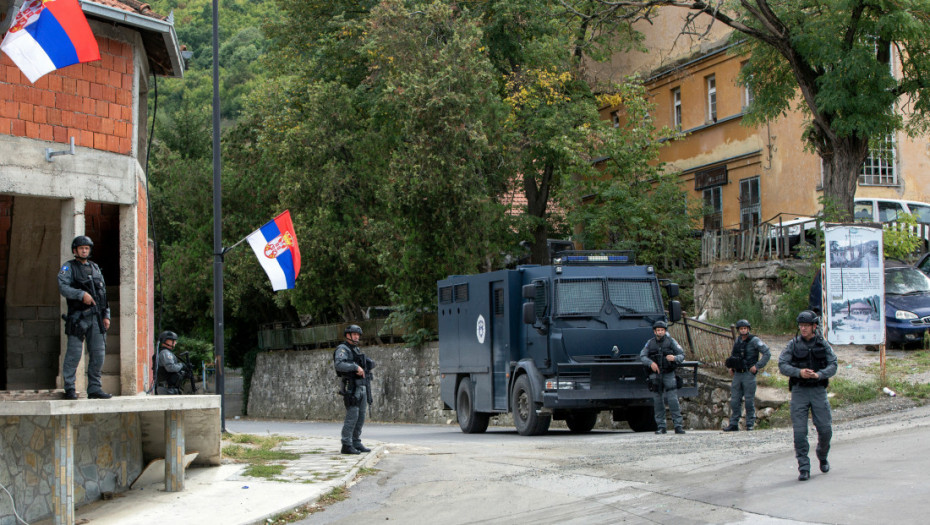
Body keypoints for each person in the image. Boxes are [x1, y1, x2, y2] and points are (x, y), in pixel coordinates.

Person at [778, 310, 837, 481]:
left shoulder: (822, 344)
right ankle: (803, 467)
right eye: (801, 326)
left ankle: (822, 454)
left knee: (825, 429)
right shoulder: (793, 344)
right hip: (799, 391)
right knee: (799, 432)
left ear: (814, 326)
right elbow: (782, 364)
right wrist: (799, 372)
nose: (803, 329)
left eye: (806, 326)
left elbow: (833, 364)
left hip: (818, 390)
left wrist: (820, 375)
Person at [58, 235, 111, 400]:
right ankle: (69, 388)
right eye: (81, 248)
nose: (84, 250)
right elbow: (63, 287)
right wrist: (81, 295)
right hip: (78, 317)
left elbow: (103, 294)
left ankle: (94, 388)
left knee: (98, 354)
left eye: (87, 248)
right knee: (74, 354)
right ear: (75, 250)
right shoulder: (68, 267)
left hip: (96, 317)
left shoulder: (95, 268)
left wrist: (106, 315)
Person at [334, 324, 375, 454]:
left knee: (361, 416)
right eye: (354, 334)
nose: (357, 337)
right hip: (351, 387)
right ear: (348, 335)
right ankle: (346, 444)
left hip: (361, 386)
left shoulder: (355, 349)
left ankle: (356, 442)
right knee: (353, 416)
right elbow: (339, 364)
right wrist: (355, 367)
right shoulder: (343, 349)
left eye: (358, 335)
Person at [723, 319, 771, 431]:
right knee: (735, 400)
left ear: (748, 329)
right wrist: (731, 367)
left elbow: (767, 353)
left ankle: (750, 423)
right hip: (737, 374)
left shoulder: (754, 340)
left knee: (749, 400)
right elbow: (734, 355)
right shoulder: (738, 340)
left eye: (745, 328)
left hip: (749, 374)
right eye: (741, 329)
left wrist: (757, 366)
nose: (743, 331)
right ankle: (734, 423)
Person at [640, 320, 686, 435]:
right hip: (656, 375)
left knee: (673, 400)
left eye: (662, 330)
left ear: (665, 331)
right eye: (658, 330)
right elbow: (642, 356)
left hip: (669, 373)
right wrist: (651, 363)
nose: (660, 332)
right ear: (655, 332)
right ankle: (661, 426)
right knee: (658, 401)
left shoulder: (671, 342)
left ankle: (678, 426)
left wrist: (674, 358)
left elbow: (682, 355)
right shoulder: (650, 343)